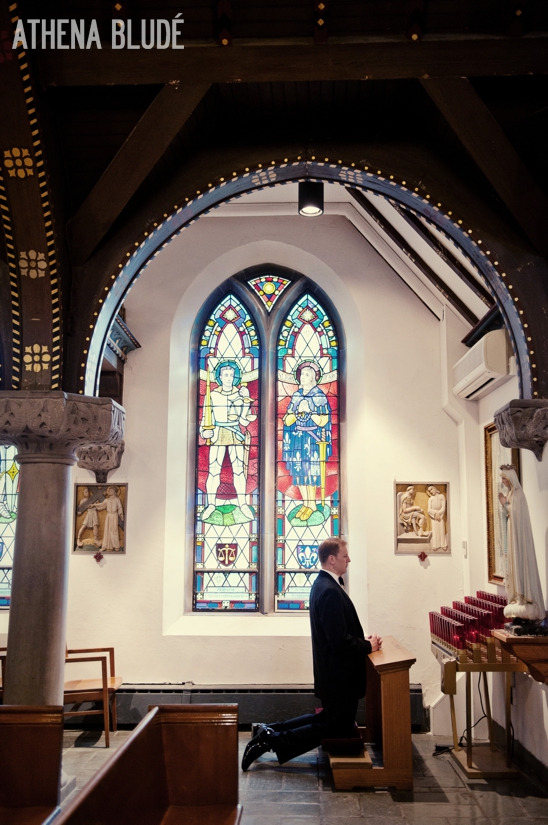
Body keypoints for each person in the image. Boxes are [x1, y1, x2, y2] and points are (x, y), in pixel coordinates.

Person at [241, 537, 382, 770]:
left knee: (329, 720)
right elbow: (338, 642)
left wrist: (362, 641)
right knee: (335, 726)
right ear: (332, 559)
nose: (349, 560)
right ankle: (271, 740)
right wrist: (367, 646)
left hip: (334, 673)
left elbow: (338, 633)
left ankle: (271, 730)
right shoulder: (329, 591)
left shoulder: (324, 585)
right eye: (345, 556)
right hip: (338, 675)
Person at [200, 360, 256, 522]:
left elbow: (244, 421)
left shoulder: (239, 395)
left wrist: (246, 403)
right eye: (226, 375)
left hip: (234, 433)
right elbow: (206, 417)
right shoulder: (213, 395)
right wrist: (205, 431)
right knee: (214, 470)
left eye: (231, 375)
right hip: (218, 433)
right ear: (220, 377)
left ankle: (242, 504)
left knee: (238, 470)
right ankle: (210, 504)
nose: (229, 378)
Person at [282, 361, 332, 522]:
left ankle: (312, 504)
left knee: (311, 472)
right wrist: (296, 413)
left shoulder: (318, 396)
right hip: (297, 439)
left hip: (313, 440)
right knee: (300, 473)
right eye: (302, 374)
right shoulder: (296, 396)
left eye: (307, 375)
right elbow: (287, 420)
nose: (303, 377)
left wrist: (309, 412)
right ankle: (306, 503)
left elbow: (324, 420)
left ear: (314, 379)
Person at [498, 465, 545, 621]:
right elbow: (510, 514)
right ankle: (517, 598)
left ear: (511, 478)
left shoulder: (518, 494)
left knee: (520, 565)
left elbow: (516, 514)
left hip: (519, 539)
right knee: (513, 566)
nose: (502, 481)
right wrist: (505, 504)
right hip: (513, 537)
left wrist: (505, 503)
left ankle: (523, 598)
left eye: (504, 478)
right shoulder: (512, 493)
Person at [90, 486, 124, 552]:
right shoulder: (107, 500)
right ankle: (105, 546)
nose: (109, 492)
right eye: (109, 490)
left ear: (115, 492)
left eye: (111, 491)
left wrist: (121, 514)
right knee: (107, 530)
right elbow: (102, 505)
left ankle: (116, 546)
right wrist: (94, 505)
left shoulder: (117, 499)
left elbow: (120, 507)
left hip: (114, 515)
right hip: (108, 516)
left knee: (114, 530)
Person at [426, 485, 447, 551]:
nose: (431, 491)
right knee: (435, 531)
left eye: (431, 489)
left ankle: (443, 544)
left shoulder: (442, 496)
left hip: (440, 516)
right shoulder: (430, 499)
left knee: (441, 530)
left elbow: (443, 507)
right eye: (429, 491)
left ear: (435, 488)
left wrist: (439, 513)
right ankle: (435, 545)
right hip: (434, 517)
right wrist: (435, 513)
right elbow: (429, 510)